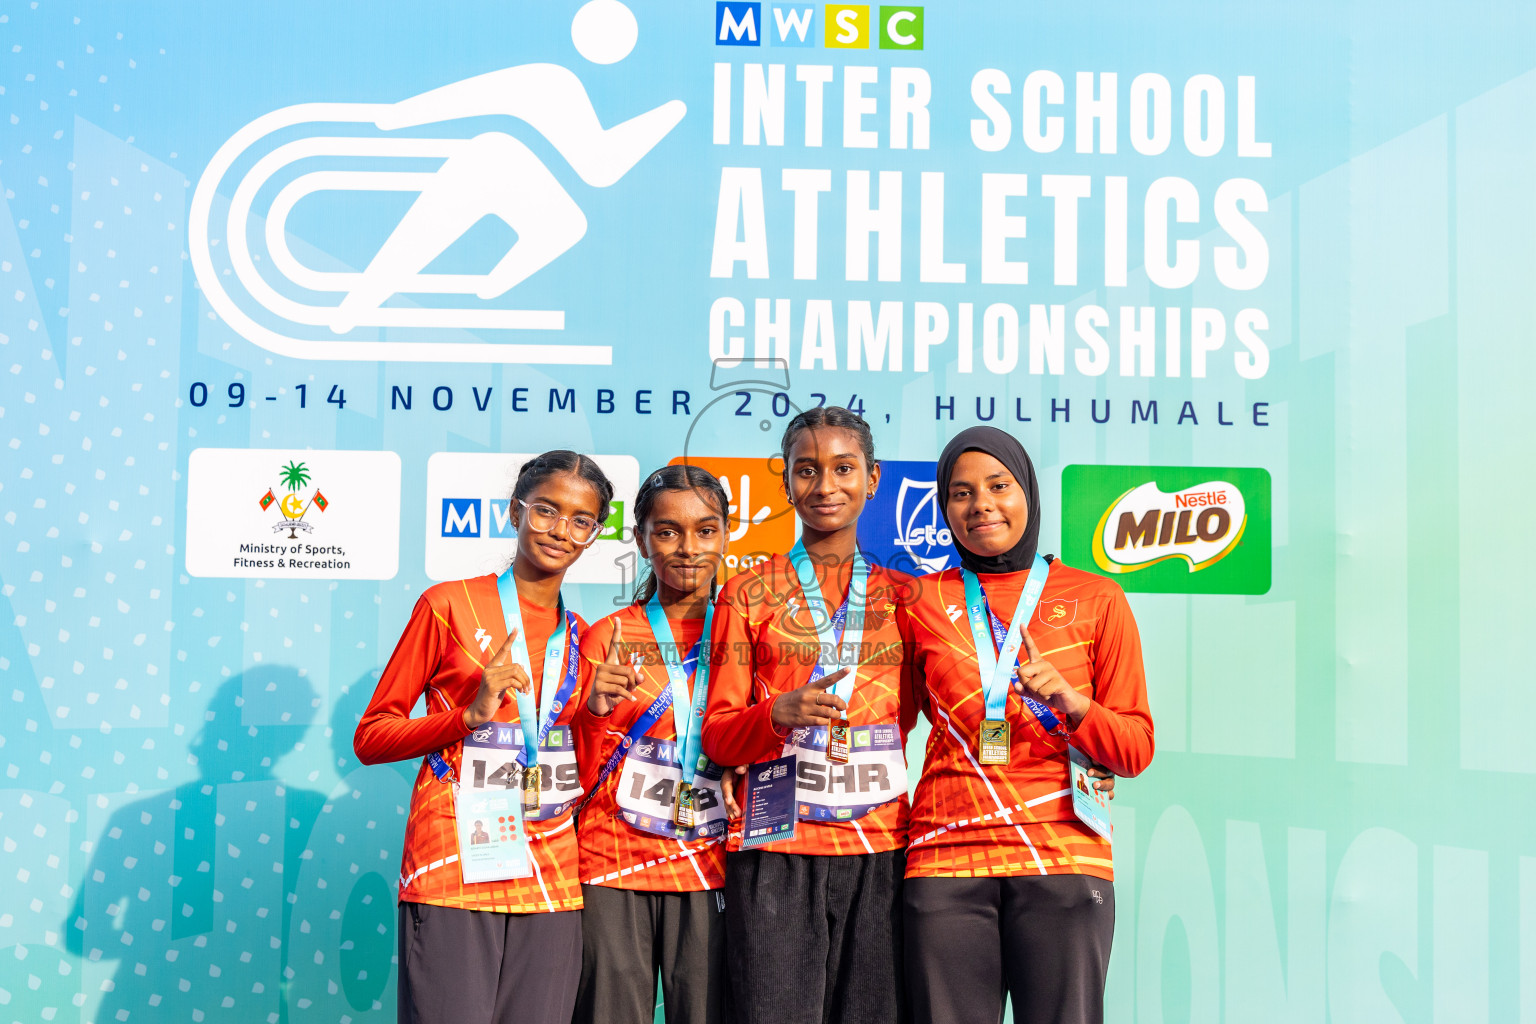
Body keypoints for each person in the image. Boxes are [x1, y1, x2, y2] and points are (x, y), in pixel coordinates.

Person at [899, 426, 1155, 1024]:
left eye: (998, 486)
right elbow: (881, 721)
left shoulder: (1096, 598)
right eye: (960, 493)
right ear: (945, 509)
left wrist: (1075, 706)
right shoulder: (919, 600)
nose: (981, 504)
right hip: (945, 863)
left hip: (1062, 859)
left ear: (1029, 495)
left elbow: (1136, 749)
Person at [354, 450, 615, 1024]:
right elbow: (371, 738)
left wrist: (594, 715)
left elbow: (583, 769)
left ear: (594, 535)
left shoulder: (584, 637)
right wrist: (466, 717)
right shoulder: (447, 604)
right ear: (516, 510)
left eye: (580, 520)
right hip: (453, 864)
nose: (560, 530)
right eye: (546, 510)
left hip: (548, 871)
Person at [701, 406, 915, 1024]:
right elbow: (717, 736)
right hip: (777, 848)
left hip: (880, 847)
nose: (825, 486)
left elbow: (950, 712)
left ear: (873, 478)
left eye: (844, 468)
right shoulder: (746, 592)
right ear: (787, 481)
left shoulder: (907, 596)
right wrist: (775, 714)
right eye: (807, 470)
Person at [572, 464, 734, 1024]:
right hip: (614, 865)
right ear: (641, 538)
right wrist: (593, 713)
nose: (688, 548)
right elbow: (576, 773)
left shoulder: (750, 634)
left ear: (727, 534)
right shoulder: (608, 635)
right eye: (667, 531)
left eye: (705, 530)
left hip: (710, 866)